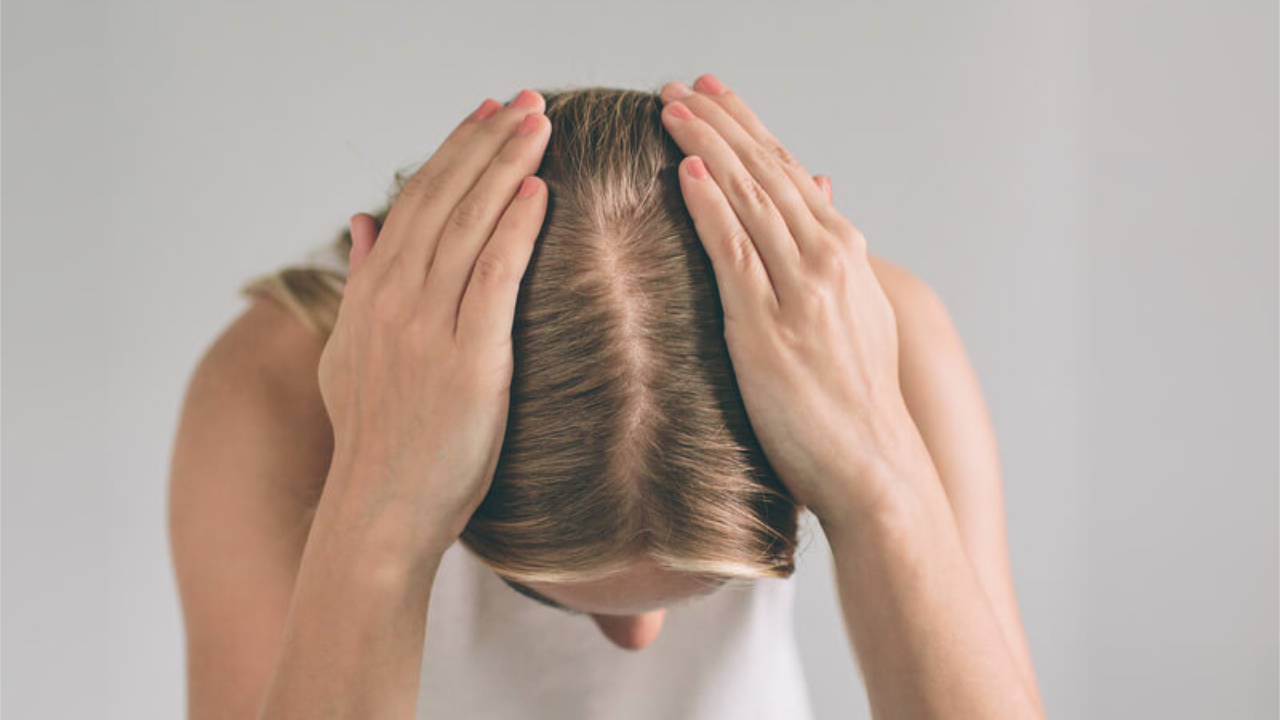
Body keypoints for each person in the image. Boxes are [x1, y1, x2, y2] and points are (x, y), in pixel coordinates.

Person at [169, 76, 1046, 719]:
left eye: (709, 589)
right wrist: (379, 517)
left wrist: (880, 484)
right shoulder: (272, 389)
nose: (641, 639)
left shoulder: (872, 345)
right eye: (539, 593)